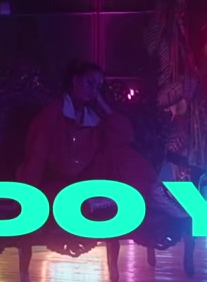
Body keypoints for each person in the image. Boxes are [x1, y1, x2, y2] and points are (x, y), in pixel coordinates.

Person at [17, 60, 187, 218]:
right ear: (75, 80)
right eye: (89, 83)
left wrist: (102, 103)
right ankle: (138, 194)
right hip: (60, 180)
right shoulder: (53, 115)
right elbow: (36, 155)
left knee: (122, 153)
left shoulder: (92, 116)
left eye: (98, 87)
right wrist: (27, 195)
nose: (93, 90)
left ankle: (151, 192)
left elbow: (124, 137)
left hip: (87, 177)